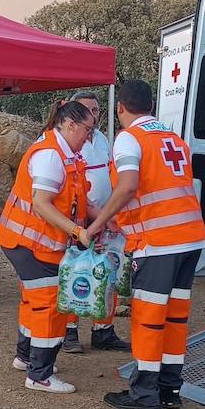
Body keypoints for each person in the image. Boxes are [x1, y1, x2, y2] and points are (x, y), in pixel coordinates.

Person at [88, 80, 205, 409]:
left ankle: (144, 396)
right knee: (175, 318)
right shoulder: (174, 139)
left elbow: (128, 187)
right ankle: (170, 390)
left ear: (120, 108)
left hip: (158, 243)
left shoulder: (129, 138)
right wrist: (121, 221)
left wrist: (97, 224)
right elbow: (161, 189)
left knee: (149, 319)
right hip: (190, 238)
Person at [0, 100, 97, 394]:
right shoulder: (51, 155)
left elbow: (79, 201)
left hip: (30, 242)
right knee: (50, 305)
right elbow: (41, 203)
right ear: (70, 124)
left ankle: (27, 359)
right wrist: (78, 231)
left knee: (35, 300)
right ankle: (40, 374)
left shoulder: (64, 153)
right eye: (87, 130)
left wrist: (102, 219)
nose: (88, 137)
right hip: (31, 243)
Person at [63, 91, 130, 354]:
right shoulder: (67, 141)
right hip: (79, 220)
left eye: (97, 109)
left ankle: (104, 330)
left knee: (108, 272)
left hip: (107, 220)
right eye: (88, 109)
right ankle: (68, 332)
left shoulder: (103, 139)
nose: (94, 114)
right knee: (76, 273)